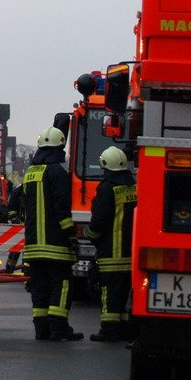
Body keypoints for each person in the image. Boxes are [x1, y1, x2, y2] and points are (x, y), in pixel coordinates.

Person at [20, 126, 81, 341]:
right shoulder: (57, 172)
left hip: (33, 245)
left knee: (39, 286)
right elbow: (61, 208)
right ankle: (59, 328)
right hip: (55, 245)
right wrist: (71, 234)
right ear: (60, 147)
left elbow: (22, 202)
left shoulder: (30, 172)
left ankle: (41, 329)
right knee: (61, 284)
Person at [85, 146, 137, 342]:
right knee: (124, 293)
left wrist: (91, 235)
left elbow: (99, 221)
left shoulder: (107, 189)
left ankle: (108, 330)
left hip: (112, 254)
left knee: (109, 293)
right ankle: (124, 328)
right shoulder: (134, 187)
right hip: (130, 254)